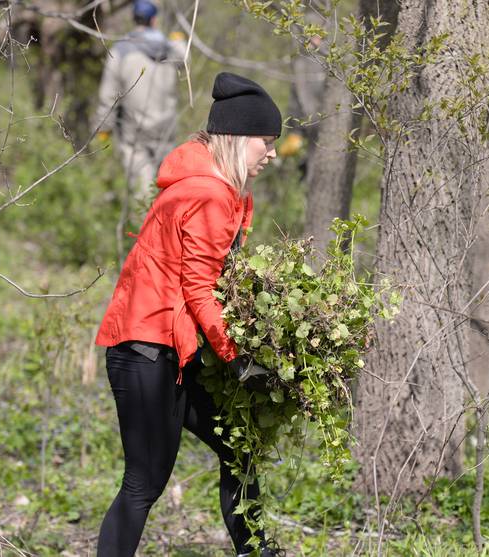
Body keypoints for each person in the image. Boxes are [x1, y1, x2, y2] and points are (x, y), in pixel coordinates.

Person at [94, 72, 283, 557]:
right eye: (267, 142)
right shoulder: (209, 193)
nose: (273, 154)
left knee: (239, 448)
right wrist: (237, 357)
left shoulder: (219, 189)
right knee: (144, 482)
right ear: (240, 140)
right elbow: (199, 288)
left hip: (174, 347)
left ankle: (255, 551)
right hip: (148, 350)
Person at [93, 0, 186, 204]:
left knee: (142, 194)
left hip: (134, 132)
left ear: (133, 19)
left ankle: (142, 233)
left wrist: (103, 128)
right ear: (154, 20)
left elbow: (108, 95)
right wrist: (179, 40)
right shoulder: (170, 49)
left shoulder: (121, 50)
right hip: (166, 129)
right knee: (168, 189)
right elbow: (184, 58)